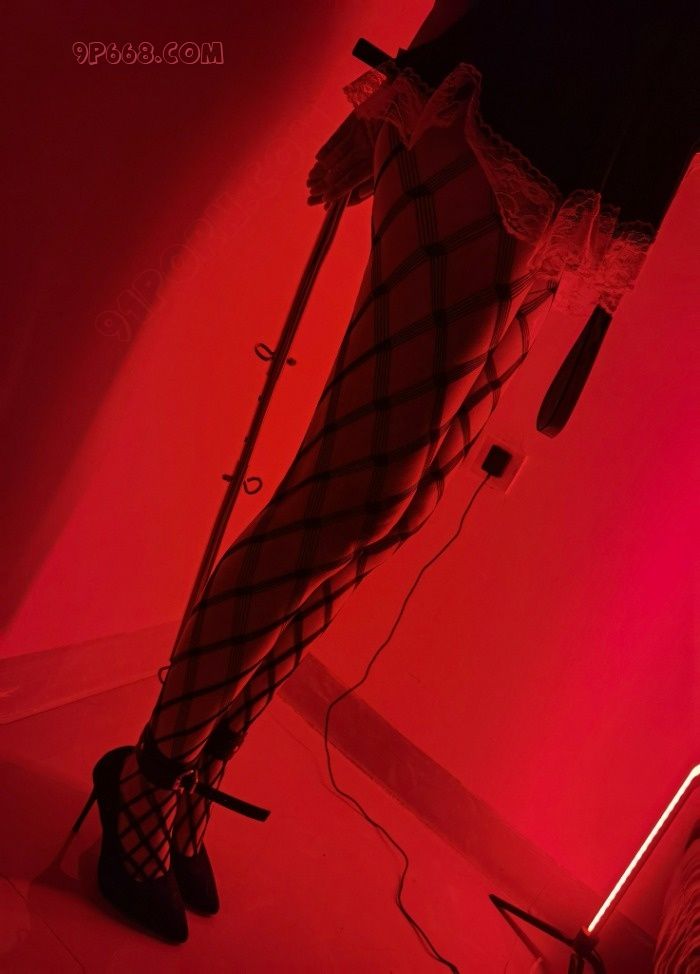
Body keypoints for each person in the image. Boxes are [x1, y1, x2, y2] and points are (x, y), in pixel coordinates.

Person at [71, 0, 698, 943]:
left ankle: (198, 767)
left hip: (583, 164)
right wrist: (398, 90)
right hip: (503, 107)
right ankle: (149, 775)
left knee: (391, 513)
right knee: (348, 494)